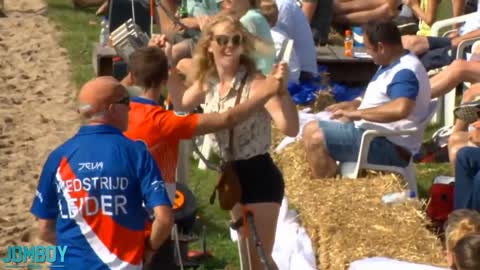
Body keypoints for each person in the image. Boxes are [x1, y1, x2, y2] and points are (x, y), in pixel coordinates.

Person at [170, 14, 299, 270]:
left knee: (256, 262)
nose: (229, 46)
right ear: (209, 45)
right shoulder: (210, 81)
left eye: (236, 40)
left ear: (243, 46)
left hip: (260, 176)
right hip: (233, 177)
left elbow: (291, 128)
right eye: (222, 40)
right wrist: (167, 65)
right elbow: (181, 103)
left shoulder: (258, 84)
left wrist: (282, 93)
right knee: (250, 258)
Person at [30, 77, 173, 269]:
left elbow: (45, 230)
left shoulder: (59, 156)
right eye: (126, 102)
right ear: (112, 109)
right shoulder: (136, 154)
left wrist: (80, 249)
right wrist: (148, 249)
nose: (130, 108)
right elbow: (164, 219)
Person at [302, 20, 431, 179]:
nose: (367, 53)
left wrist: (358, 113)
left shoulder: (405, 72)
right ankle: (331, 185)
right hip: (376, 135)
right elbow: (382, 95)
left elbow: (401, 108)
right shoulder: (393, 62)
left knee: (315, 139)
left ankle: (324, 192)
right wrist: (354, 103)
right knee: (309, 128)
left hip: (387, 145)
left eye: (368, 48)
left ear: (381, 47)